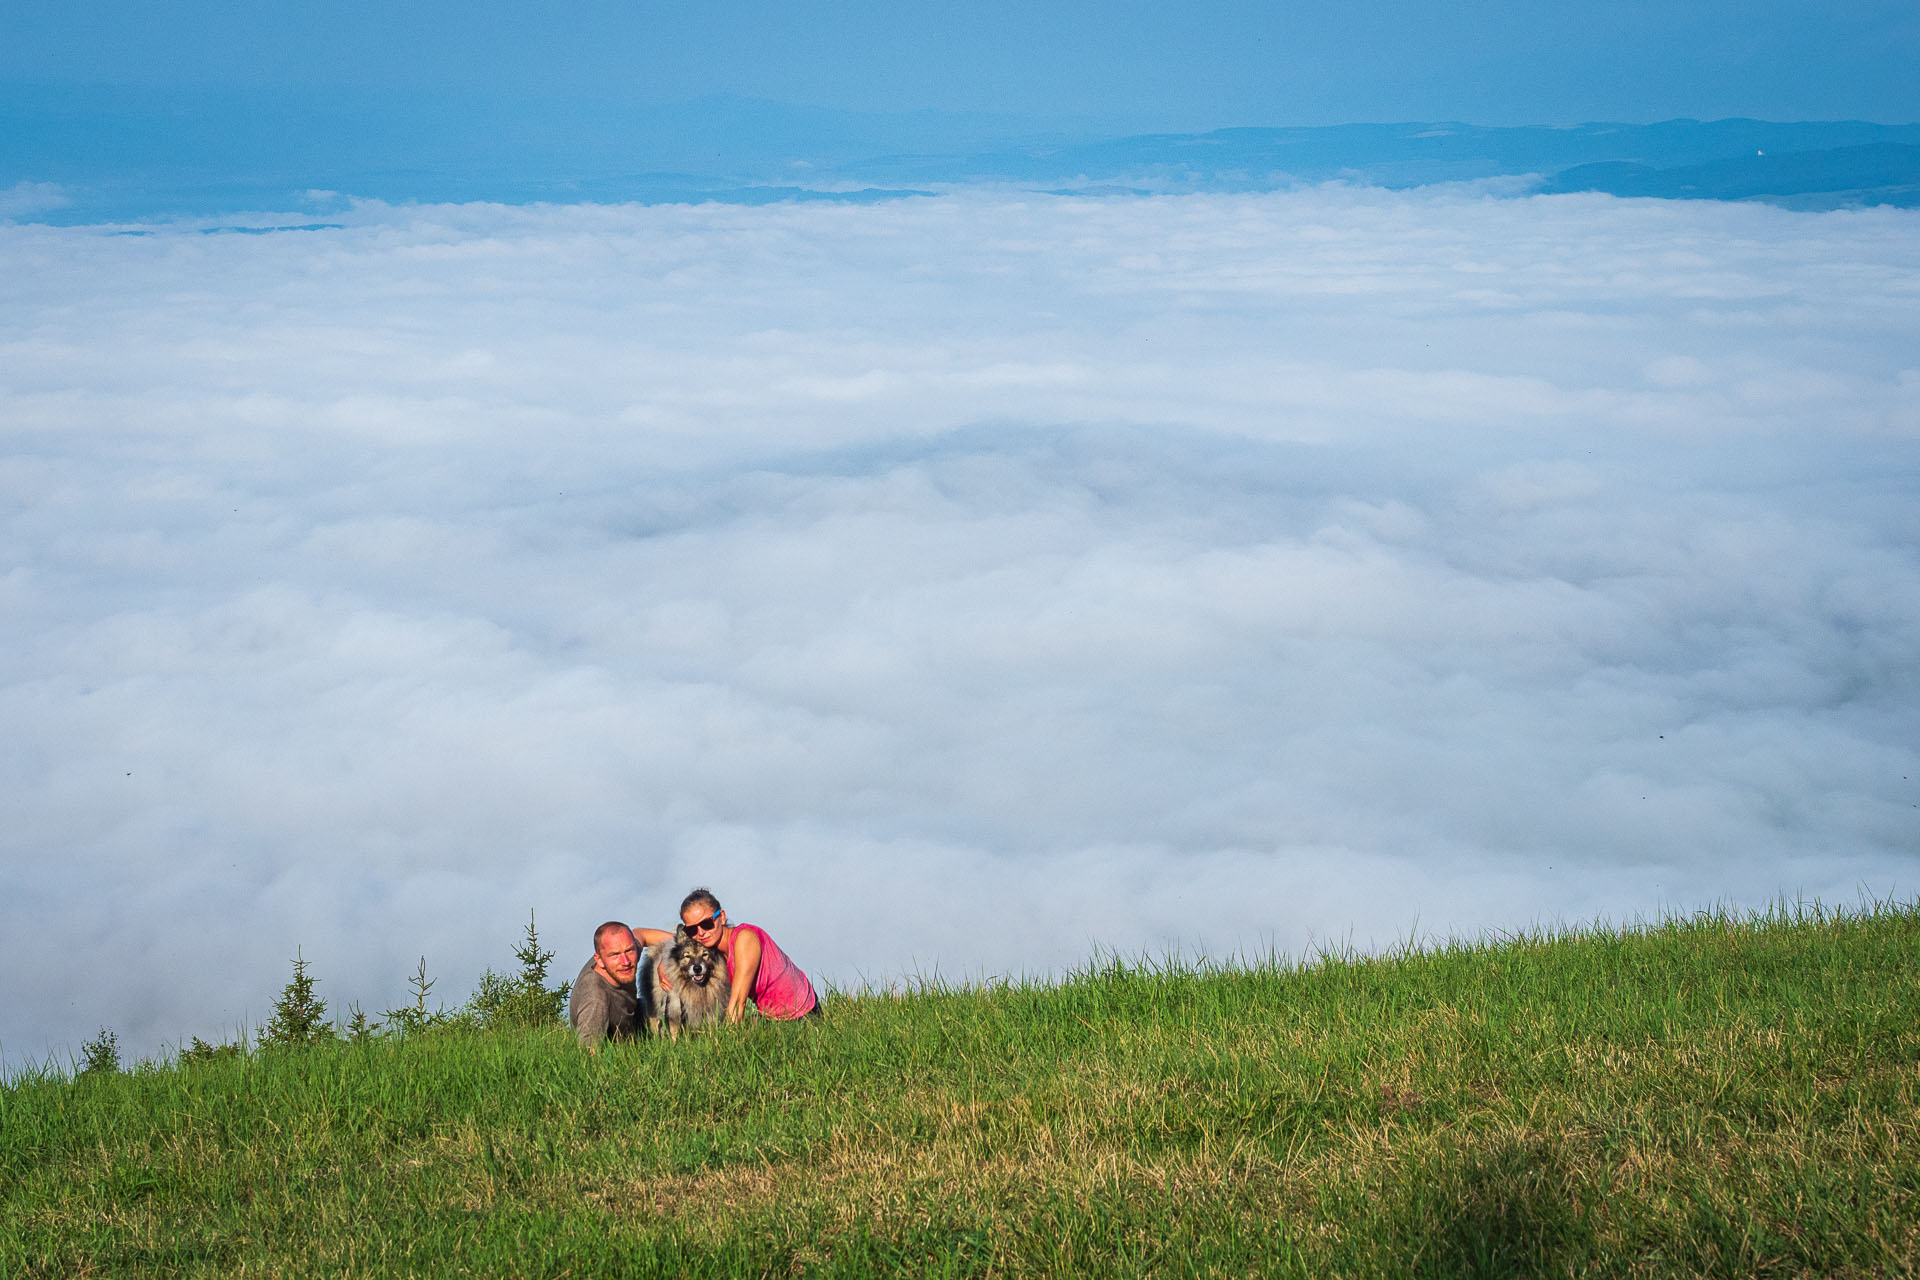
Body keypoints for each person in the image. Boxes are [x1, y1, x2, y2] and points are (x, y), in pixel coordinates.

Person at [676, 887, 819, 1021]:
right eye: (692, 930)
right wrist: (662, 965)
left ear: (722, 917)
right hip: (770, 1016)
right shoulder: (714, 948)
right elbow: (660, 938)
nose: (700, 933)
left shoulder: (745, 938)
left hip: (802, 1015)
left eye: (707, 924)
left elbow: (738, 1003)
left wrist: (725, 1044)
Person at [567, 920, 670, 1049]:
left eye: (630, 950)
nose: (625, 961)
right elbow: (587, 1054)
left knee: (662, 1005)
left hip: (633, 1018)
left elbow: (642, 934)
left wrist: (668, 957)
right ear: (599, 960)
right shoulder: (595, 1000)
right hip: (616, 1048)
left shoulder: (624, 953)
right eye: (614, 954)